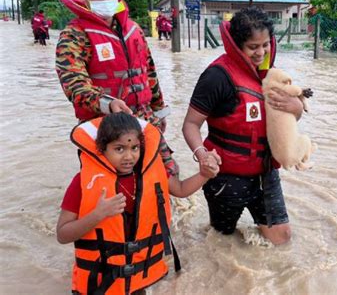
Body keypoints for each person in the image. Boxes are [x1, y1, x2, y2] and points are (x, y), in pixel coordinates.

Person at [57, 112, 221, 294]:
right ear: (102, 149)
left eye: (134, 148)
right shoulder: (82, 182)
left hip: (136, 282)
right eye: (119, 149)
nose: (129, 156)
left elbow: (181, 189)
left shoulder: (149, 175)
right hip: (98, 282)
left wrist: (205, 175)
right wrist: (98, 214)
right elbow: (63, 234)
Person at [182, 7, 304, 245]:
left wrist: (296, 108)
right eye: (253, 47)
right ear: (237, 45)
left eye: (265, 45)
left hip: (266, 174)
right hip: (227, 178)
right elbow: (190, 124)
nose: (261, 52)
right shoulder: (217, 77)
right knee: (220, 240)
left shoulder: (271, 76)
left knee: (282, 238)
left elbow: (284, 122)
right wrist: (202, 154)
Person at [55, 0, 169, 133]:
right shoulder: (74, 35)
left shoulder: (134, 30)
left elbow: (149, 73)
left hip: (146, 120)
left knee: (166, 161)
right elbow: (74, 85)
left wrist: (159, 110)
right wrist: (108, 103)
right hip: (103, 126)